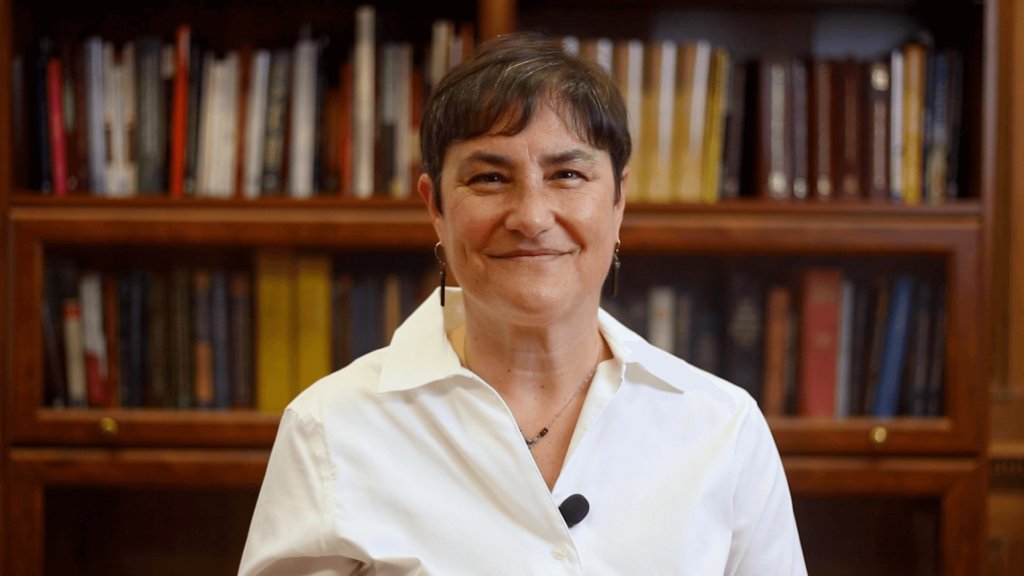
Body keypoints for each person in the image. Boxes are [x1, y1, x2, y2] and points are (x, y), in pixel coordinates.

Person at [239, 33, 807, 576]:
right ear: (435, 206)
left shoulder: (722, 428)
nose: (532, 218)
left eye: (567, 174)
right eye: (489, 177)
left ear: (619, 200)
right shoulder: (329, 431)